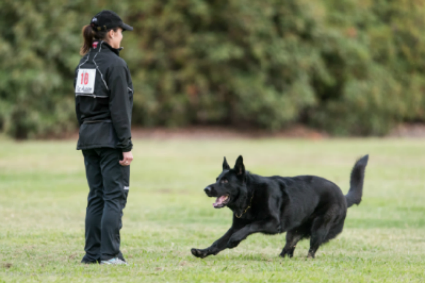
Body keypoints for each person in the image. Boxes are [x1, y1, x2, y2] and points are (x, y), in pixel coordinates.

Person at [74, 10, 134, 265]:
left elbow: (79, 106)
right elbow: (120, 110)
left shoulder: (84, 63)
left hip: (88, 137)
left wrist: (87, 131)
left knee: (96, 196)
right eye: (120, 33)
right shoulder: (116, 65)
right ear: (111, 33)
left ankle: (92, 254)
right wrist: (126, 146)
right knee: (113, 196)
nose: (121, 38)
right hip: (110, 140)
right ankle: (109, 255)